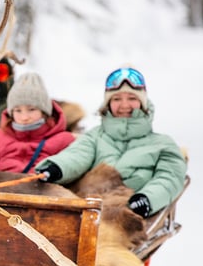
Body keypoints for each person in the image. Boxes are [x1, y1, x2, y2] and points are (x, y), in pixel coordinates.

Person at [35, 66, 186, 218]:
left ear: (143, 103)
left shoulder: (163, 145)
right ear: (108, 103)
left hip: (128, 215)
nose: (124, 105)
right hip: (89, 210)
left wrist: (146, 199)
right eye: (117, 99)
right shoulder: (95, 137)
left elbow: (169, 178)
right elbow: (76, 156)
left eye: (132, 98)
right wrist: (57, 168)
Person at [0, 72, 75, 173]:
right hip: (1, 187)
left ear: (44, 112)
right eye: (18, 110)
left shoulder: (64, 140)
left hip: (43, 187)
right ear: (10, 112)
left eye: (31, 109)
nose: (24, 117)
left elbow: (71, 167)